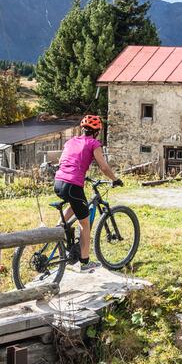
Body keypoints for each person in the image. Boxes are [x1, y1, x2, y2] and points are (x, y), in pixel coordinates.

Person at [54, 115, 122, 272]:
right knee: (84, 224)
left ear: (82, 129)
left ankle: (57, 230)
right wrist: (115, 179)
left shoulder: (70, 141)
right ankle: (84, 263)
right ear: (96, 131)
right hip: (72, 185)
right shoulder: (93, 143)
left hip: (58, 182)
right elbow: (104, 167)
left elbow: (66, 161)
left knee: (74, 205)